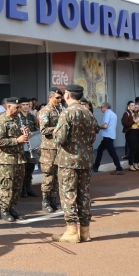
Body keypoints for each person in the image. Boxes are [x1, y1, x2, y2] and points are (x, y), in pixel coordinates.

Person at [52, 84, 98, 243]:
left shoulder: (67, 113)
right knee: (84, 194)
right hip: (85, 159)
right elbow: (93, 137)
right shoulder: (88, 113)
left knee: (68, 194)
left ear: (68, 95)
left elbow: (59, 138)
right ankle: (85, 231)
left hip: (69, 160)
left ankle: (72, 231)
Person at [0, 98, 28, 222]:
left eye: (19, 107)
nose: (19, 110)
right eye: (16, 107)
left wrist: (25, 134)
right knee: (7, 186)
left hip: (18, 158)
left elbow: (19, 136)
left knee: (17, 186)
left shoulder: (17, 119)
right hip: (6, 159)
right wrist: (16, 140)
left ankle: (12, 207)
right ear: (8, 107)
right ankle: (4, 210)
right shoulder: (1, 121)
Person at [38, 88, 65, 212]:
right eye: (57, 98)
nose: (60, 100)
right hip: (49, 149)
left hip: (60, 147)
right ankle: (45, 201)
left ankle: (53, 200)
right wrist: (59, 128)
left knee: (57, 175)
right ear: (50, 97)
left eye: (61, 98)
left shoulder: (61, 110)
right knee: (49, 175)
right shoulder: (45, 111)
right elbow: (43, 130)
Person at [17, 97, 39, 199]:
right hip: (21, 146)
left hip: (31, 145)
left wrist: (31, 133)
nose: (26, 107)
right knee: (23, 168)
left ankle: (28, 187)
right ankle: (22, 189)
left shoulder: (31, 117)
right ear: (20, 106)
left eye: (27, 105)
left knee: (30, 168)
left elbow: (36, 130)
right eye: (23, 105)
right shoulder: (17, 117)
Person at [94, 102, 123, 174]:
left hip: (107, 136)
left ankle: (119, 168)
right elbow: (114, 126)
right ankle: (96, 166)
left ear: (105, 107)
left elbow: (105, 126)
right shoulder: (114, 114)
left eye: (101, 107)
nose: (101, 108)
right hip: (111, 135)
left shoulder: (107, 114)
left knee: (112, 153)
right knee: (100, 150)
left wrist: (97, 127)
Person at [121, 101, 139, 171]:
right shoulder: (126, 113)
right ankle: (131, 164)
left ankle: (136, 163)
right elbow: (125, 124)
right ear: (128, 106)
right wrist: (135, 121)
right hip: (131, 132)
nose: (133, 106)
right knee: (133, 149)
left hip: (138, 131)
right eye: (132, 105)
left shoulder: (136, 113)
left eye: (134, 105)